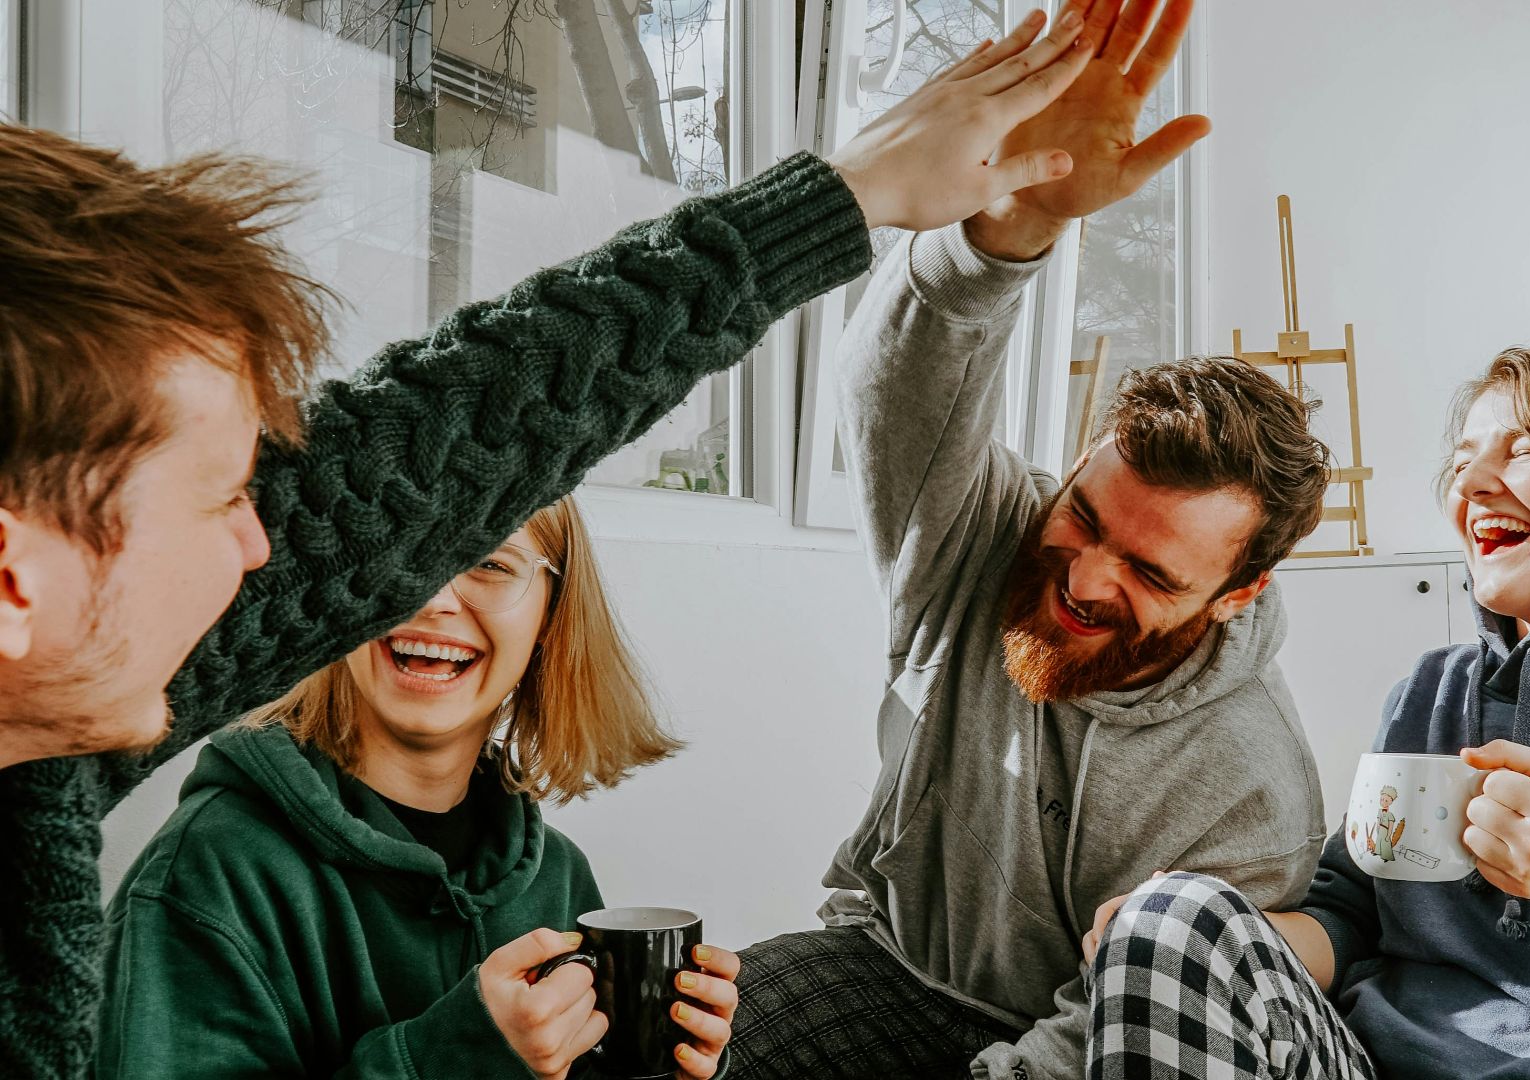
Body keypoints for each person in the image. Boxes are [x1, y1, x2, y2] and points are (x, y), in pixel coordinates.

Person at [0, 14, 1098, 1074]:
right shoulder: (205, 869)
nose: (262, 545)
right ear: (15, 581)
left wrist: (850, 195)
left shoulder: (41, 760)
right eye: (219, 497)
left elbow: (442, 443)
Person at [726, 3, 1335, 1077]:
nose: (1086, 578)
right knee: (650, 1040)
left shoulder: (1251, 788)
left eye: (1151, 571)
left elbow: (1130, 1034)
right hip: (883, 964)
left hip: (1089, 1041)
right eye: (1087, 517)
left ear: (1236, 594)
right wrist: (1007, 231)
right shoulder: (982, 537)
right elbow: (895, 390)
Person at [1082, 349, 1530, 1079]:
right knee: (1172, 918)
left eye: (1527, 448)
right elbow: (1352, 915)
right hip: (1363, 1059)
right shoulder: (1431, 691)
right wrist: (1192, 939)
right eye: (1465, 457)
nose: (1470, 482)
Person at [96, 495, 738, 1079]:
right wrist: (458, 1056)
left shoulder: (559, 877)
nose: (434, 600)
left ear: (551, 616)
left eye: (488, 563)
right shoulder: (206, 874)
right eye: (404, 553)